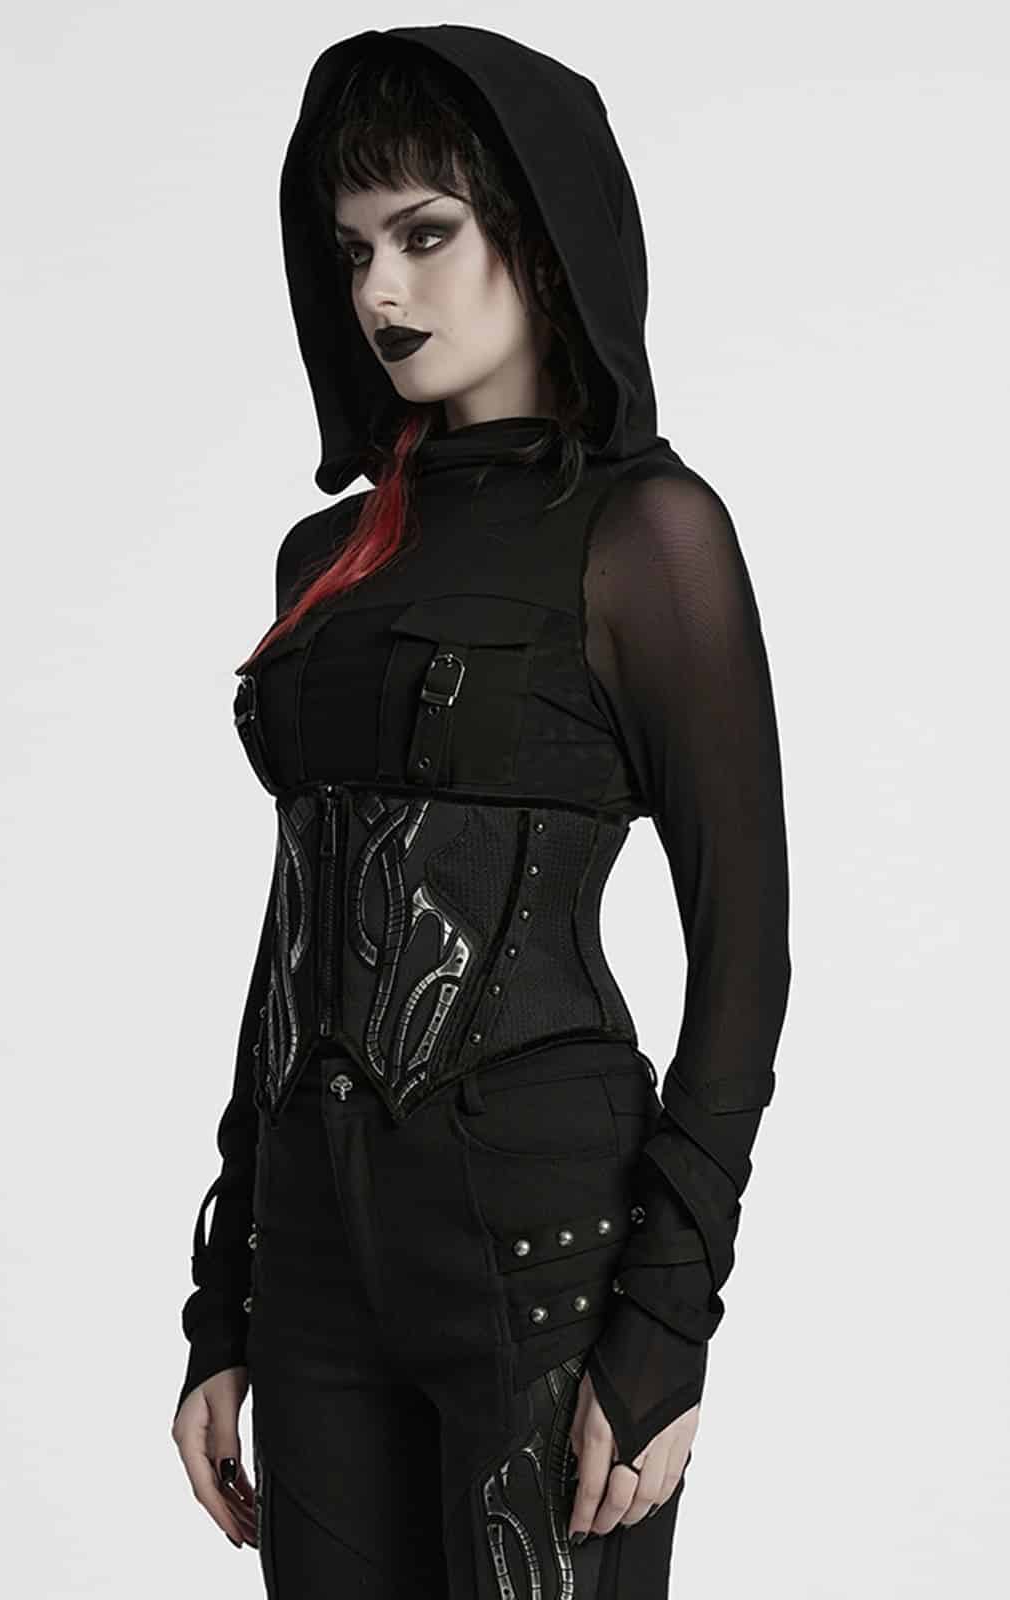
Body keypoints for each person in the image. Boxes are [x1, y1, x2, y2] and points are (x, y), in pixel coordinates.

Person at [170, 24, 791, 1599]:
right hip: (314, 1261)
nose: (382, 289)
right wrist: (223, 1301)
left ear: (541, 231)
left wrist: (667, 1321)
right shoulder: (327, 559)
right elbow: (295, 931)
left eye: (426, 234)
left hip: (543, 1250)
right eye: (353, 250)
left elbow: (746, 956)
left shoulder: (648, 535)